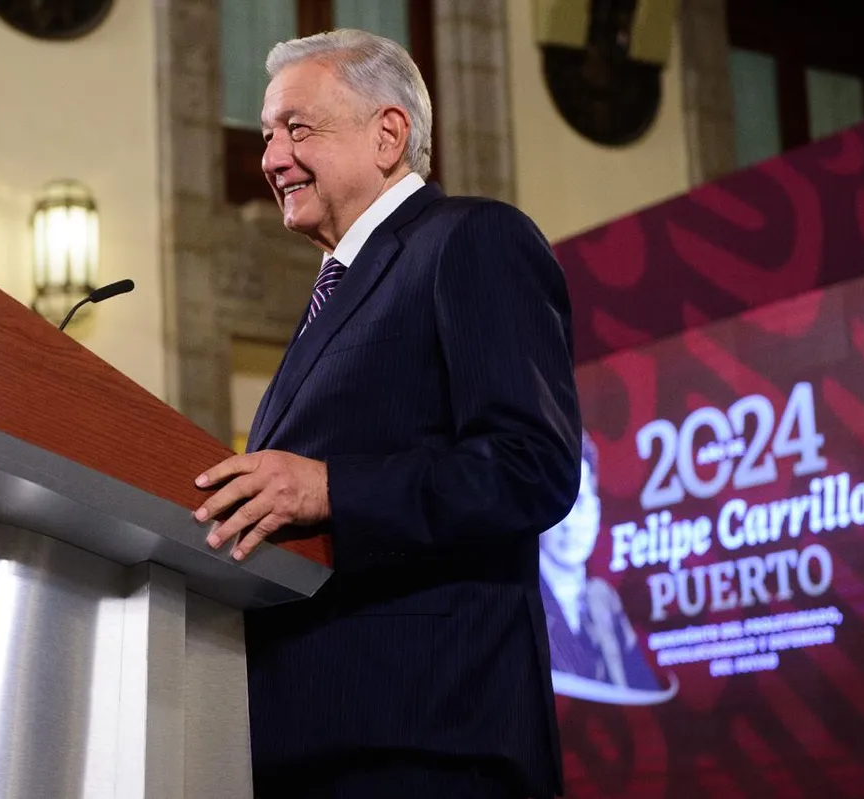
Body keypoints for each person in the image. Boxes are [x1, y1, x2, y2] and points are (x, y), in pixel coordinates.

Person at [192, 29, 581, 799]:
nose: (272, 158)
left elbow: (531, 466)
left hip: (429, 736)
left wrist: (330, 488)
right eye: (267, 135)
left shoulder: (472, 239)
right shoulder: (334, 291)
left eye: (297, 128)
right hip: (304, 741)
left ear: (388, 134)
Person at [539, 430, 660, 693]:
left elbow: (643, 692)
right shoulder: (523, 602)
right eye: (559, 504)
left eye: (580, 503)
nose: (570, 523)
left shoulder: (602, 599)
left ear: (597, 508)